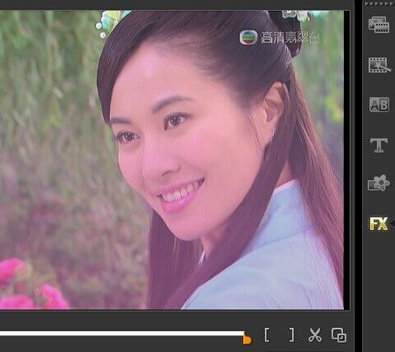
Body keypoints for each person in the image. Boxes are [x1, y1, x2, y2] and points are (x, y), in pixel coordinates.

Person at [96, 10, 344, 309]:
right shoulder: (317, 241)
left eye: (175, 120)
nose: (151, 168)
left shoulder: (239, 300)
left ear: (270, 109)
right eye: (127, 135)